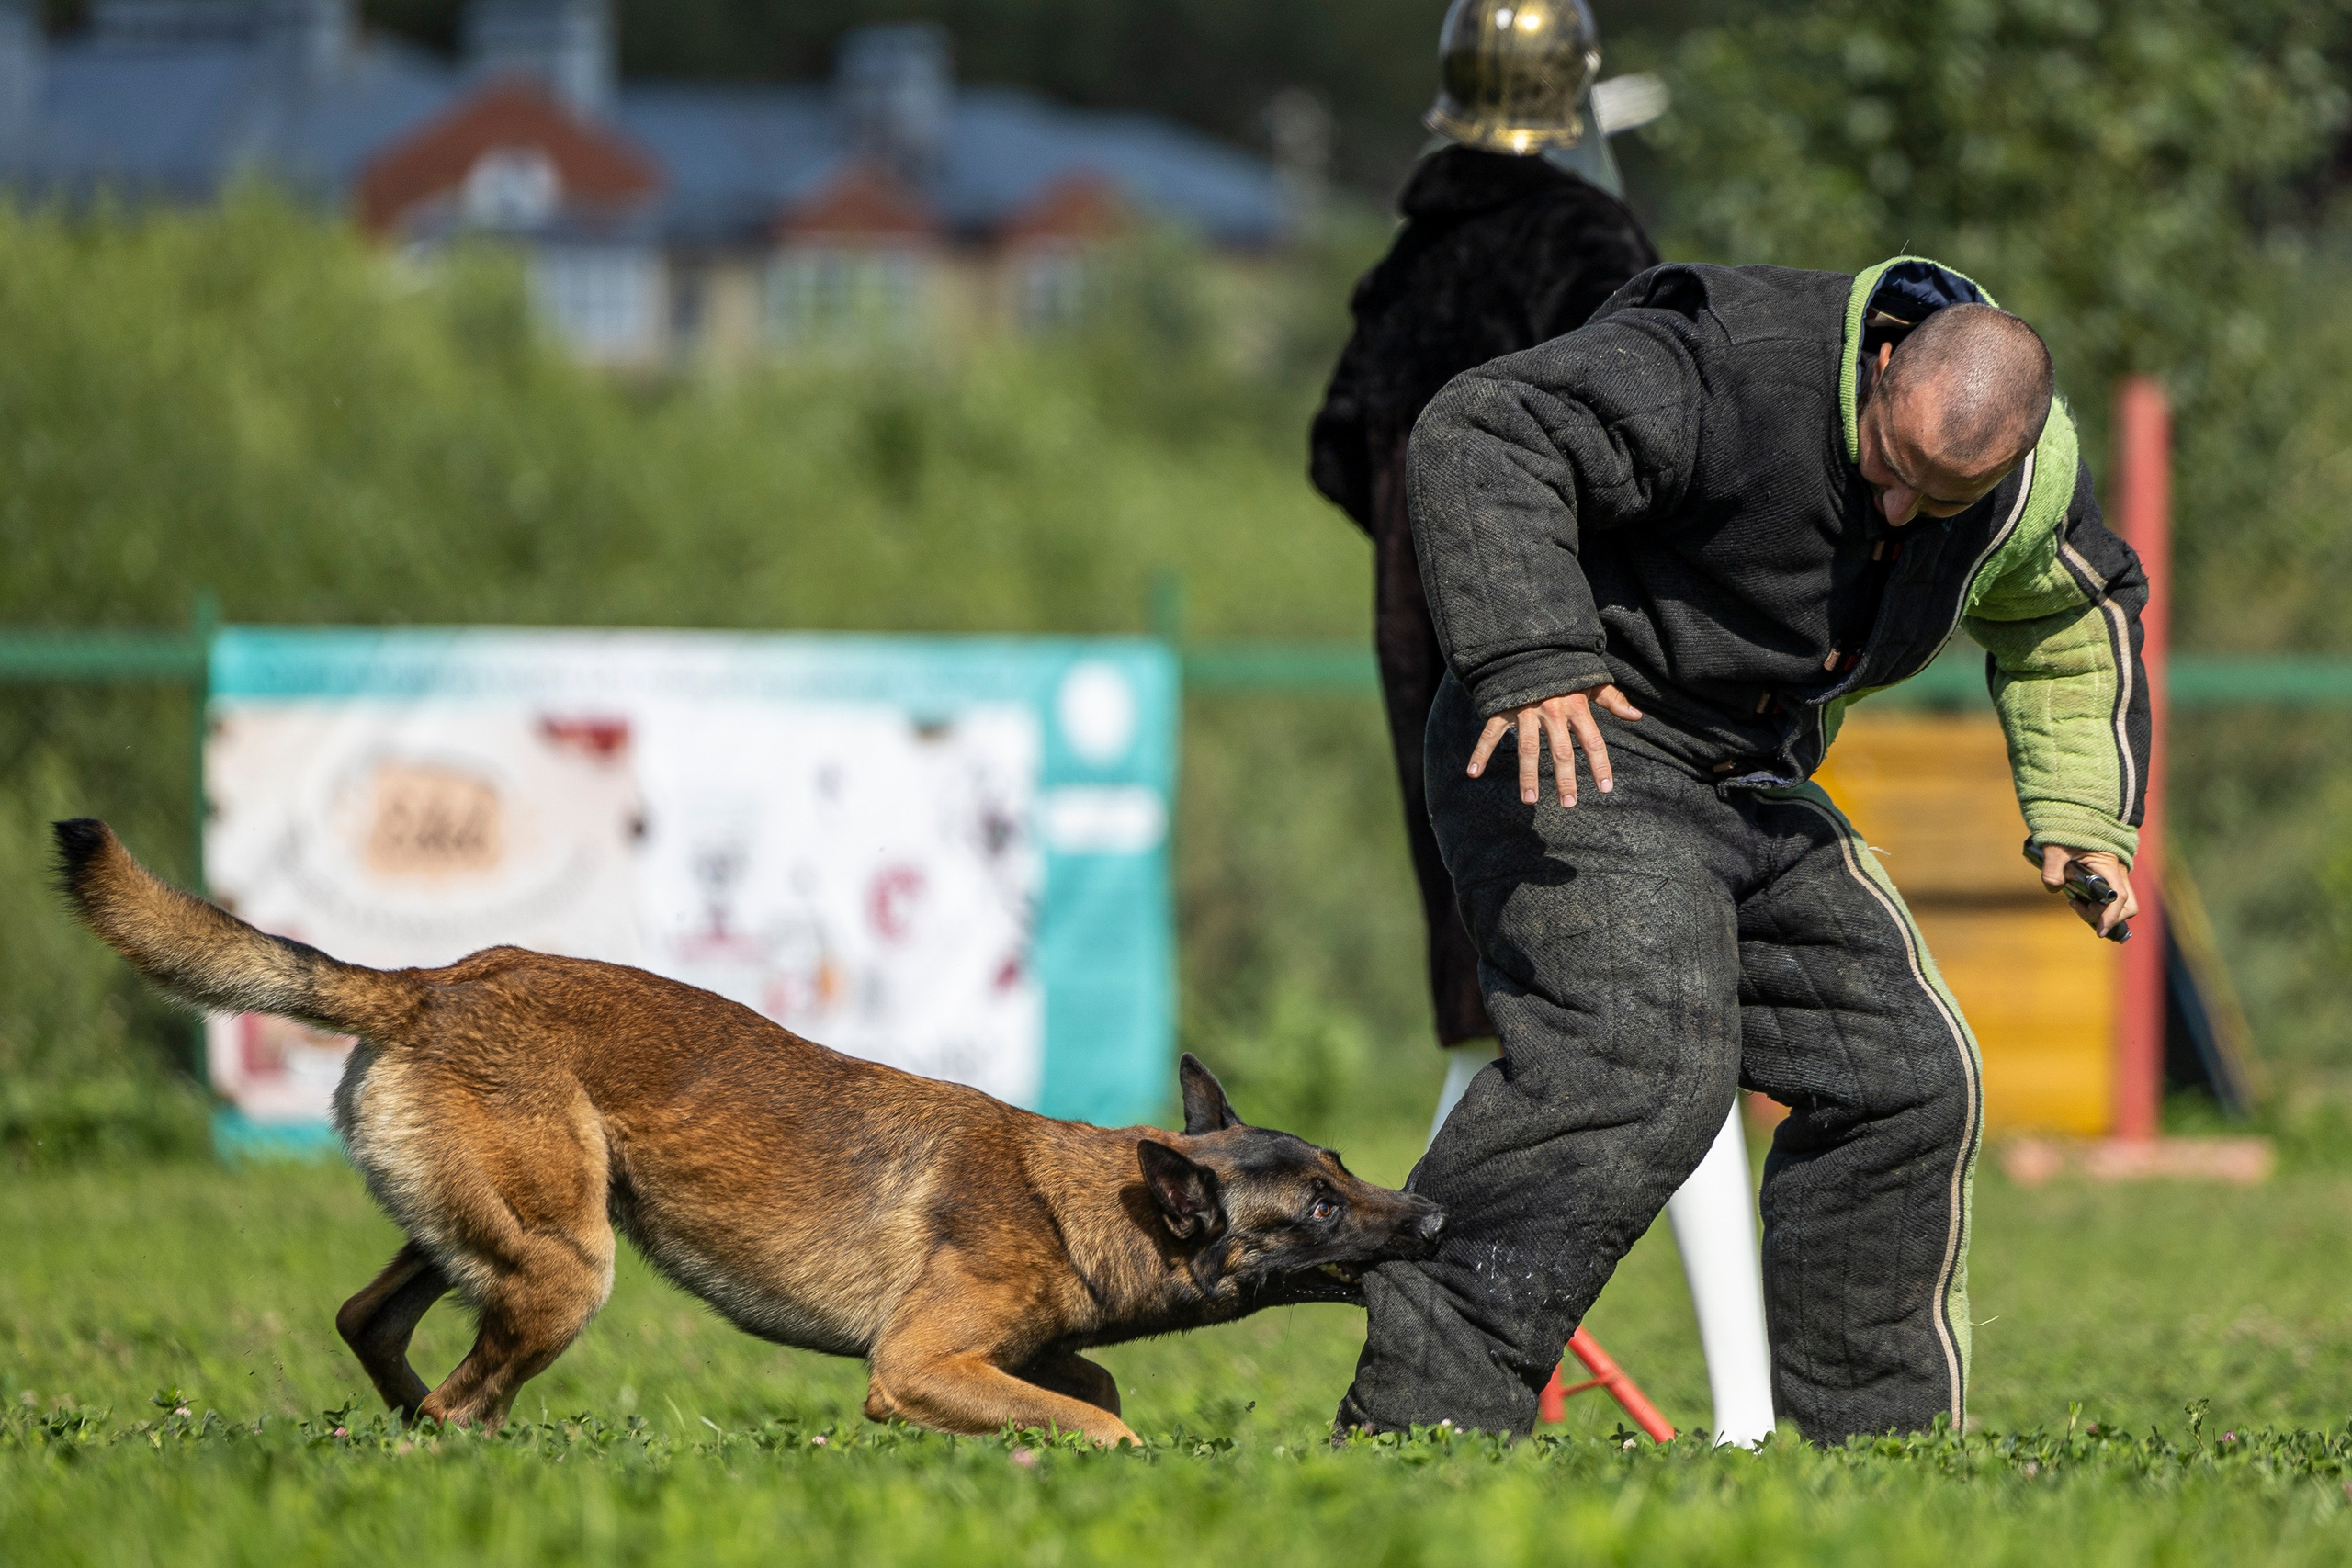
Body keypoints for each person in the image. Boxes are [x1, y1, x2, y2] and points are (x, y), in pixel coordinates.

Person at [1336, 254, 2147, 1444]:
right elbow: (1489, 426)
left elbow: (2073, 616)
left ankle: (1876, 1457)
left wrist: (2082, 815)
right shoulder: (1723, 362)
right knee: (1637, 1063)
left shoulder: (2028, 490)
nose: (1902, 513)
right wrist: (1534, 656)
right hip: (1580, 734)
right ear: (1880, 367)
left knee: (1906, 1076)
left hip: (1750, 776)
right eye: (1892, 468)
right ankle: (1422, 1424)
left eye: (1944, 499)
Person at [1313, 0, 1778, 1446]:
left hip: (1424, 684)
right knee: (1664, 1019)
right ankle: (1753, 1416)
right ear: (1579, 92)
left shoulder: (1408, 265)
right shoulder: (1589, 245)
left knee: (1491, 1015)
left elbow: (1339, 452)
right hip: (1587, 684)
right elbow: (1673, 453)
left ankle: (1445, 1372)